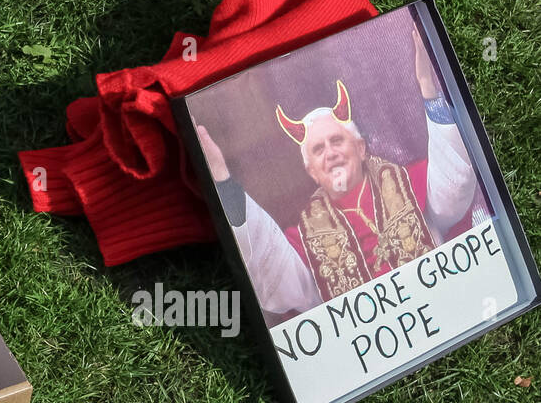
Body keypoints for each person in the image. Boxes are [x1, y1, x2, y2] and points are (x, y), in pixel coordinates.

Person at [195, 30, 476, 316]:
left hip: (441, 307)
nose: (329, 152)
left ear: (362, 148)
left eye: (337, 140)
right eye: (318, 149)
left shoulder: (409, 181)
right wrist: (222, 180)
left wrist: (428, 88)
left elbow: (455, 186)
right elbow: (275, 282)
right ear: (311, 171)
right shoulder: (304, 238)